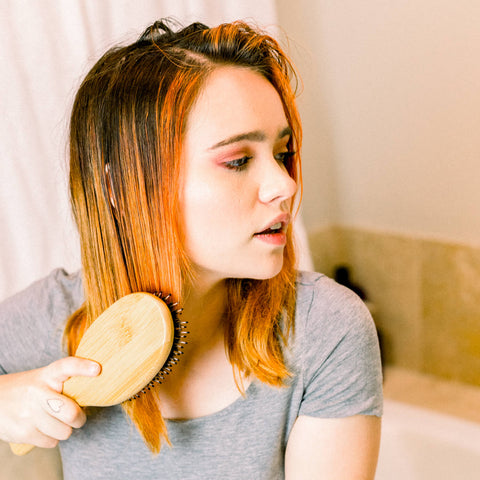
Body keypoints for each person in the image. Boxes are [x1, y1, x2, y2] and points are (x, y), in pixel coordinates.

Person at [0, 19, 382, 479]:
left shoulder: (324, 330)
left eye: (283, 153)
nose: (284, 185)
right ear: (122, 186)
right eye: (238, 161)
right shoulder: (50, 318)